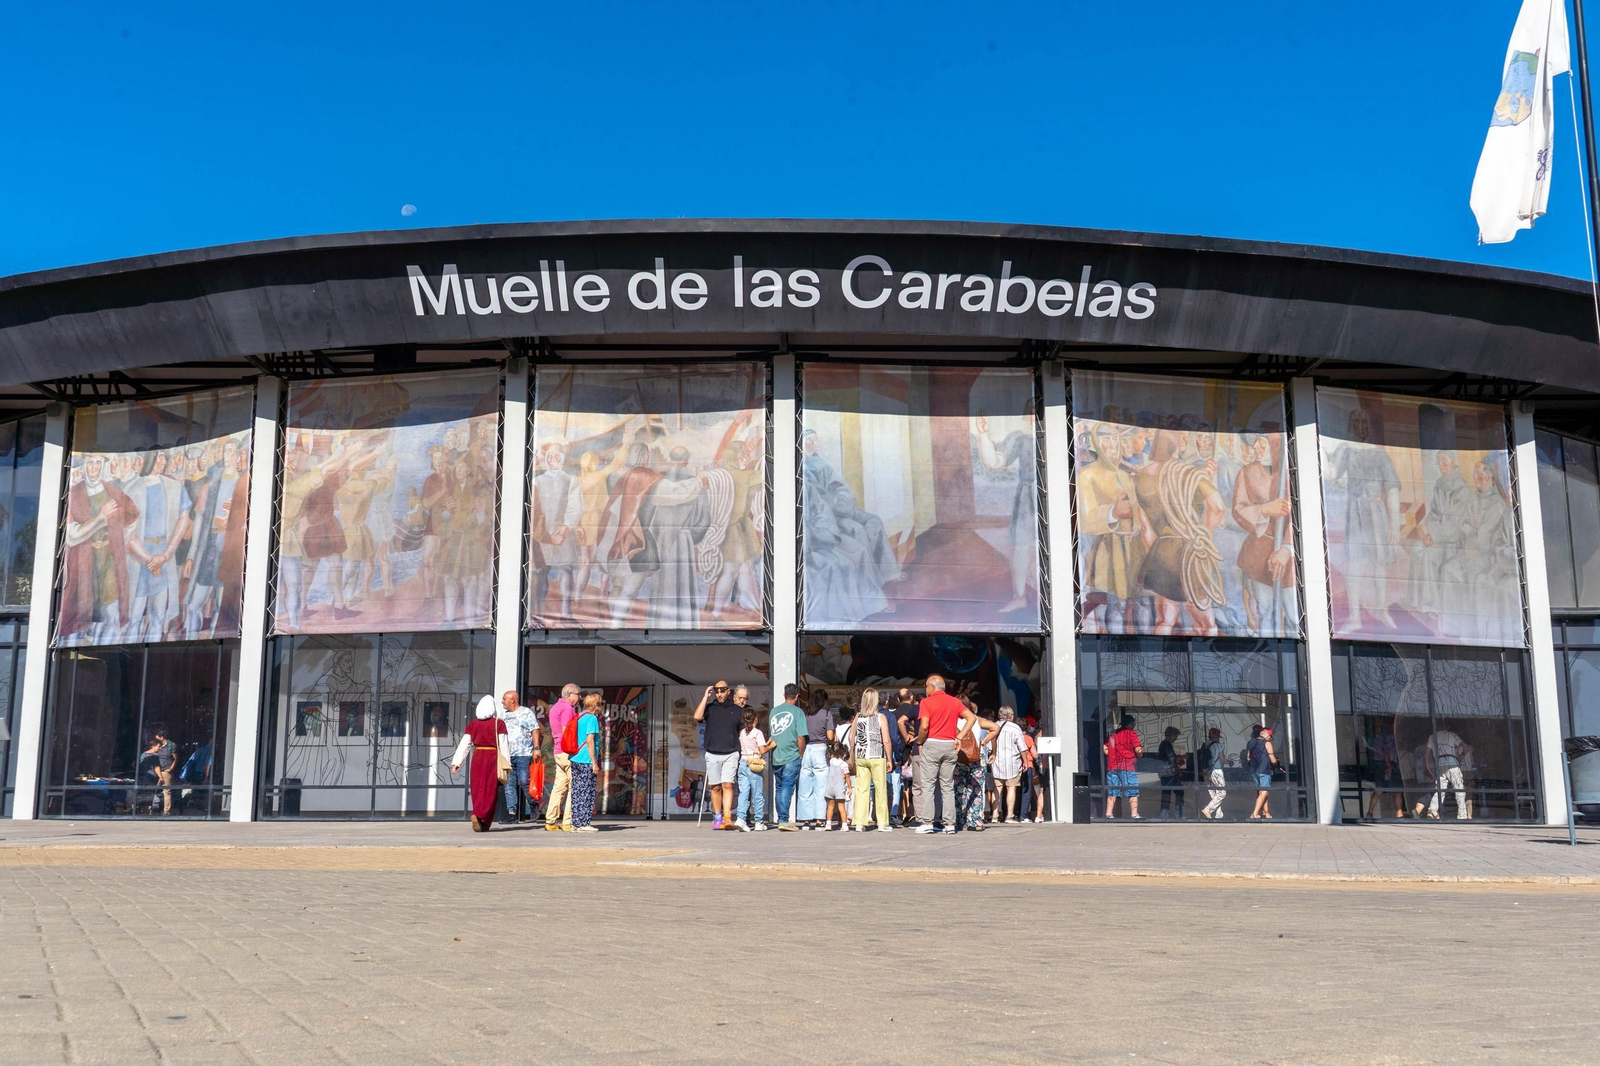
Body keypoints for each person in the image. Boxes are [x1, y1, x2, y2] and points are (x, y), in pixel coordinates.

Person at [914, 674, 974, 834]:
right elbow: (971, 718)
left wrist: (920, 741)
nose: (925, 689)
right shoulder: (954, 701)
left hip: (932, 744)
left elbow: (924, 726)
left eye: (926, 686)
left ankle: (927, 822)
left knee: (928, 785)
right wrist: (959, 737)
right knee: (947, 786)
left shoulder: (926, 702)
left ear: (932, 687)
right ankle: (949, 824)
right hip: (950, 745)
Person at [450, 695, 509, 832]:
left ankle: (478, 814)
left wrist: (456, 763)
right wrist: (507, 765)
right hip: (493, 758)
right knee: (490, 790)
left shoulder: (473, 724)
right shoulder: (498, 724)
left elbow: (464, 745)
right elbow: (504, 746)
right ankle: (482, 817)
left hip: (477, 758)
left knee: (477, 788)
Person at [694, 680, 742, 830]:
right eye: (717, 691)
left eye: (722, 691)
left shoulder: (737, 710)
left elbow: (743, 731)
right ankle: (717, 816)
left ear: (729, 692)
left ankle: (727, 817)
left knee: (728, 784)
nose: (719, 694)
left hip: (731, 752)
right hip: (713, 752)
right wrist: (705, 697)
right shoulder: (710, 708)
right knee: (715, 787)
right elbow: (697, 717)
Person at [849, 689, 894, 832]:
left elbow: (851, 738)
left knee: (861, 790)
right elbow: (886, 740)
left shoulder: (858, 717)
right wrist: (889, 759)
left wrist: (853, 751)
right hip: (877, 756)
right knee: (880, 790)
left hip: (861, 756)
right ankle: (881, 823)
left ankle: (859, 823)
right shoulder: (880, 717)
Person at [497, 689, 541, 823]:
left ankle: (533, 804)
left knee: (523, 781)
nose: (502, 701)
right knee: (509, 785)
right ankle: (512, 814)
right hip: (507, 755)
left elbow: (535, 730)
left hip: (523, 753)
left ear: (513, 700)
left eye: (505, 699)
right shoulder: (503, 716)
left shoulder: (526, 713)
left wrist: (536, 748)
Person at [767, 684, 806, 831]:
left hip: (776, 755)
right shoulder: (798, 712)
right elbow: (801, 737)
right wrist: (800, 753)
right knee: (787, 787)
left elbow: (773, 734)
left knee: (779, 787)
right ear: (797, 696)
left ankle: (781, 819)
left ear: (784, 695)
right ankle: (783, 820)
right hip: (791, 755)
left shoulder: (774, 711)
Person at [953, 704, 998, 832]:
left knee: (958, 789)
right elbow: (995, 727)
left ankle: (959, 821)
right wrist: (984, 741)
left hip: (958, 757)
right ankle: (974, 820)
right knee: (976, 789)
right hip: (976, 756)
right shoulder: (977, 719)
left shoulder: (952, 720)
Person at [544, 683, 580, 832]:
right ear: (570, 695)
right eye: (577, 694)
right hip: (567, 751)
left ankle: (550, 821)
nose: (579, 698)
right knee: (573, 786)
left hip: (558, 750)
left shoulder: (555, 707)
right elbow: (568, 731)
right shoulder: (566, 708)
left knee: (559, 787)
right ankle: (567, 821)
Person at [734, 708, 773, 831]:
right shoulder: (757, 733)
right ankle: (759, 821)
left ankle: (740, 819)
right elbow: (762, 750)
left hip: (743, 763)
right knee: (757, 794)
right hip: (754, 765)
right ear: (755, 718)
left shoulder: (742, 732)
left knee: (743, 794)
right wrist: (771, 745)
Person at [798, 690, 833, 829]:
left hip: (807, 749)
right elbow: (830, 737)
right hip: (820, 749)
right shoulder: (826, 714)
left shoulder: (804, 713)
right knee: (821, 786)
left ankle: (806, 820)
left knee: (805, 785)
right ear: (823, 701)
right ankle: (819, 819)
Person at [569, 693, 602, 832]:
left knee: (577, 790)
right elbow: (590, 741)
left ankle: (576, 822)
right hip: (586, 759)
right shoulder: (592, 718)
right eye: (600, 704)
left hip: (575, 757)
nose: (600, 707)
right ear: (595, 705)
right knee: (586, 791)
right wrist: (594, 762)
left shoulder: (580, 716)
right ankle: (584, 823)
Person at [1423, 726, 1470, 820]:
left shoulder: (1432, 736)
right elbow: (1465, 746)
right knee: (1459, 789)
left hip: (1440, 764)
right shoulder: (1451, 735)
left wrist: (1428, 768)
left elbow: (1426, 754)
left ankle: (1432, 810)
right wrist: (1462, 755)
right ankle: (1462, 816)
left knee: (1440, 789)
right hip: (1452, 763)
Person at [990, 707, 1027, 823]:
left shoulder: (993, 726)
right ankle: (1009, 816)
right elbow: (1022, 747)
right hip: (1012, 762)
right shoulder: (1015, 728)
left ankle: (995, 815)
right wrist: (1025, 761)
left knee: (997, 789)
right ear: (1010, 716)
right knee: (1011, 788)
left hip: (996, 761)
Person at [1103, 714, 1143, 819]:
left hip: (1112, 766)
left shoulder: (1113, 734)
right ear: (1130, 724)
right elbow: (1138, 749)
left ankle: (1108, 814)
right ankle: (1134, 814)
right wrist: (1140, 755)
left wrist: (1112, 754)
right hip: (1127, 765)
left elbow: (1105, 748)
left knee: (1113, 790)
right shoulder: (1131, 733)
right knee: (1132, 790)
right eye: (1133, 723)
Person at [1246, 726, 1281, 820]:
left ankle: (1266, 813)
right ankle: (1255, 813)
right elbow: (1273, 760)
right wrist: (1277, 763)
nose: (1270, 738)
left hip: (1253, 770)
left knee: (1261, 792)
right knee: (1264, 791)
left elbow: (1248, 757)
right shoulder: (1267, 743)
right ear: (1268, 735)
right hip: (1264, 770)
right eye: (1271, 737)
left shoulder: (1251, 742)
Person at [1198, 726, 1231, 820]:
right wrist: (1230, 762)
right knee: (1222, 793)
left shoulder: (1205, 744)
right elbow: (1222, 760)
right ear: (1217, 736)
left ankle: (1219, 815)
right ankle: (1208, 810)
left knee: (1214, 795)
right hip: (1216, 771)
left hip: (1206, 772)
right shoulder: (1218, 745)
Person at [143, 727, 177, 815]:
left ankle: (166, 811)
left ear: (161, 737)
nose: (156, 739)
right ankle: (151, 809)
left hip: (165, 771)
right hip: (155, 772)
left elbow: (176, 758)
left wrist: (171, 768)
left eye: (157, 737)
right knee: (153, 791)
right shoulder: (156, 746)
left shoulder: (171, 745)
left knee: (166, 791)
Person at [1157, 726, 1186, 819]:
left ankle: (1164, 814)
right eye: (1175, 735)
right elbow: (1172, 758)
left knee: (1166, 793)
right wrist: (1182, 757)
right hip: (1170, 773)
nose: (1176, 738)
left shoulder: (1162, 745)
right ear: (1170, 735)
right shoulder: (1167, 745)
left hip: (1164, 773)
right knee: (1179, 792)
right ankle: (1179, 813)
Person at [824, 742, 851, 831]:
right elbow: (847, 776)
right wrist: (850, 787)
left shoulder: (831, 762)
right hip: (839, 787)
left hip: (830, 787)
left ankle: (828, 824)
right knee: (841, 806)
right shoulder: (844, 764)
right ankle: (844, 825)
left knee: (830, 806)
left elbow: (830, 757)